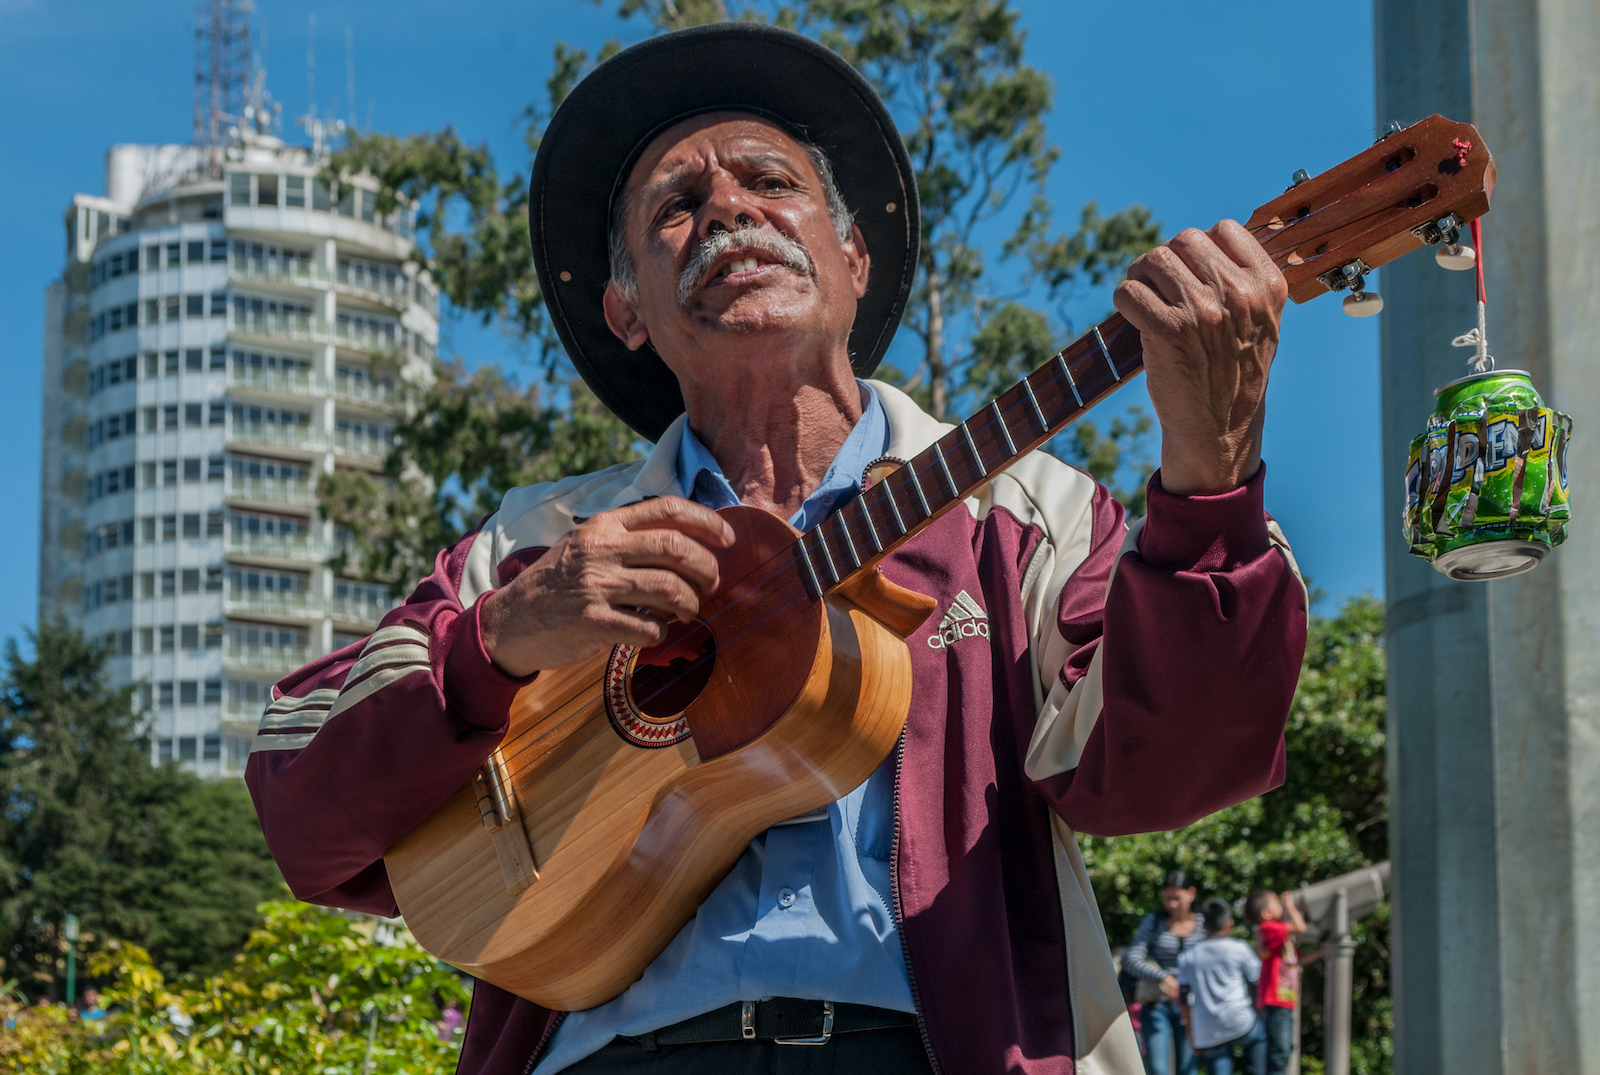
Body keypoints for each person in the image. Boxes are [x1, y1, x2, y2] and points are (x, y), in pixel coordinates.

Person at [245, 22, 1307, 1075]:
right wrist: (500, 637)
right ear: (625, 310)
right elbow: (304, 811)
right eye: (676, 205)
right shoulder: (540, 543)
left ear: (852, 258)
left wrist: (1210, 480)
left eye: (770, 180)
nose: (730, 210)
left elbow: (1171, 772)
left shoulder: (1025, 516)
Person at [1124, 870, 1203, 1075]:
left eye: (1177, 898)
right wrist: (1163, 976)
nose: (1172, 905)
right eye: (1167, 898)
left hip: (1194, 1006)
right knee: (1158, 1069)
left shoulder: (1204, 923)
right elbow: (1131, 959)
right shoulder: (1154, 921)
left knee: (1188, 1069)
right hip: (1158, 1004)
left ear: (1191, 893)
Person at [1178, 899, 1266, 1075]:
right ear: (1229, 923)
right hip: (1240, 1021)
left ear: (1203, 926)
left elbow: (1183, 998)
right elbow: (1258, 978)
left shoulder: (1187, 956)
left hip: (1207, 1029)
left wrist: (1190, 1033)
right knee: (1259, 1037)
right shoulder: (1238, 948)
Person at [1244, 890, 1310, 1075]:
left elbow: (1297, 959)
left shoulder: (1276, 933)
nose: (1281, 906)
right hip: (1275, 999)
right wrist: (1290, 905)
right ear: (1266, 913)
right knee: (1279, 1051)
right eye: (1277, 903)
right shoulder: (1269, 928)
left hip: (1281, 999)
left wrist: (1323, 950)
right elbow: (1300, 928)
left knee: (1282, 1049)